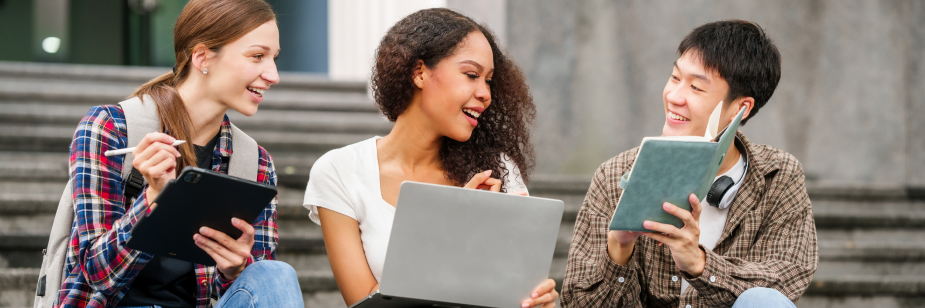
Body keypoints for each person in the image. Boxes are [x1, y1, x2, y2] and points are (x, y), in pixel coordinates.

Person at [303, 8, 559, 308]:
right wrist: (451, 224)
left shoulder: (498, 169)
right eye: (472, 75)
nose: (485, 93)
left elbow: (513, 289)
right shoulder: (340, 171)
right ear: (419, 72)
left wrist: (538, 300)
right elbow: (365, 302)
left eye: (489, 81)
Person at [54, 0, 302, 307]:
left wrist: (234, 270)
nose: (273, 75)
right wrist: (152, 199)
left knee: (273, 275)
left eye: (274, 58)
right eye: (257, 56)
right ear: (202, 58)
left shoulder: (255, 163)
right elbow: (98, 275)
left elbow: (256, 295)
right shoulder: (110, 128)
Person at [561, 20, 818, 308]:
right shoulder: (614, 176)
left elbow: (785, 279)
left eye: (696, 87)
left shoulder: (777, 176)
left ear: (740, 108)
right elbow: (578, 303)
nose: (674, 97)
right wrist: (620, 247)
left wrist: (699, 264)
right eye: (674, 77)